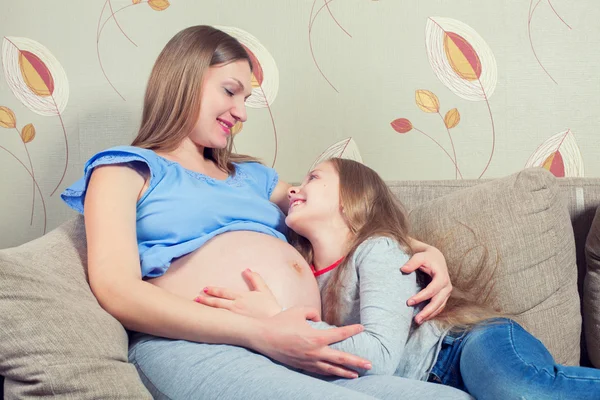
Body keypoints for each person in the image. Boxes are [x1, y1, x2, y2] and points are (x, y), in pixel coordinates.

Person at [60, 25, 470, 399]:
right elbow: (117, 291)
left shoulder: (251, 176)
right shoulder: (123, 169)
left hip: (295, 342)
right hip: (200, 344)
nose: (241, 112)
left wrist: (419, 248)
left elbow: (342, 210)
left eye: (246, 99)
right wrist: (258, 331)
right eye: (230, 91)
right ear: (183, 80)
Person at [200, 157, 600, 400]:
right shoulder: (305, 272)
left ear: (349, 198)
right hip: (433, 377)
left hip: (465, 344)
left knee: (518, 391)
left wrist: (280, 321)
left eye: (313, 178)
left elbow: (379, 355)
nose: (294, 191)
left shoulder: (378, 250)